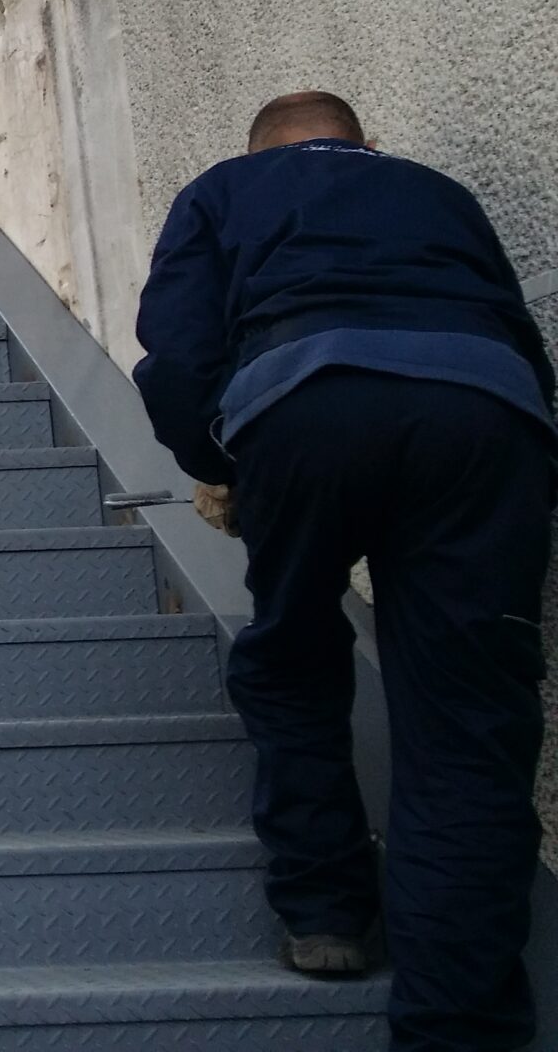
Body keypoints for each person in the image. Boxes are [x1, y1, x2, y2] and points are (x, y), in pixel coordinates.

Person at [133, 90, 555, 1051]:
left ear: (259, 151)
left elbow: (179, 353)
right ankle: (459, 1023)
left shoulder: (222, 191)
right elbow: (515, 330)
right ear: (367, 144)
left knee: (295, 656)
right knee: (469, 718)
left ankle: (326, 911)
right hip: (481, 413)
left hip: (305, 403)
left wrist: (221, 460)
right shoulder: (433, 190)